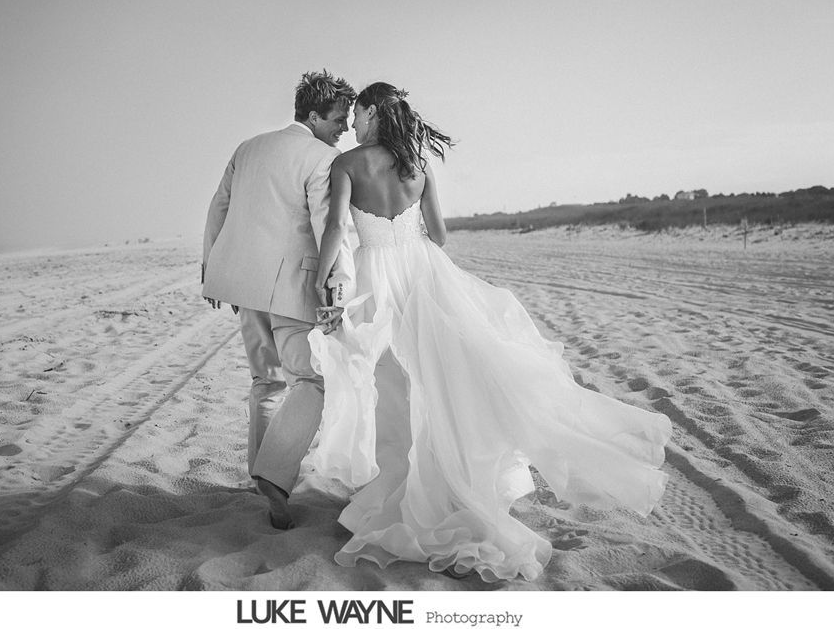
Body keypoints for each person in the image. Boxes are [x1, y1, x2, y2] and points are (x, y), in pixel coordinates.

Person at [307, 82, 672, 581]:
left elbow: (333, 230)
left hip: (377, 280)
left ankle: (401, 489)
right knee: (436, 389)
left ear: (371, 111)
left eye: (358, 114)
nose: (352, 123)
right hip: (424, 275)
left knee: (390, 391)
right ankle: (443, 487)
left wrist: (319, 282)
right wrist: (405, 227)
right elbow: (439, 236)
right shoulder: (419, 166)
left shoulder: (347, 165)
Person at [202, 70, 356, 530]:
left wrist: (212, 268)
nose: (344, 128)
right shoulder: (323, 157)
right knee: (310, 382)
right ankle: (274, 475)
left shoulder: (248, 147)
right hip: (293, 287)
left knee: (264, 382)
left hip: (242, 286)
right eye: (339, 118)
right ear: (313, 114)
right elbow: (331, 226)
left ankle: (261, 477)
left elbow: (218, 207)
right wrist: (338, 285)